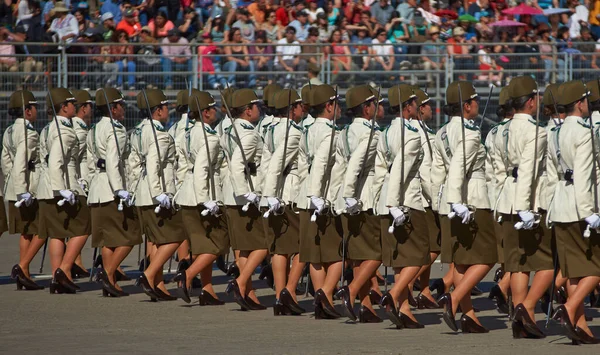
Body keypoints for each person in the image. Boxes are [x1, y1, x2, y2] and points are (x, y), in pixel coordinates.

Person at [435, 81, 498, 333]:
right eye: (476, 102)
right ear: (467, 106)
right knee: (489, 256)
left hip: (450, 203)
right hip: (471, 201)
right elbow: (459, 169)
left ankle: (469, 315)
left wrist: (443, 203)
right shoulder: (469, 133)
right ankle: (454, 297)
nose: (478, 106)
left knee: (461, 262)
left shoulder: (441, 132)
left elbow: (437, 172)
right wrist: (458, 203)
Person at [493, 76, 552, 339]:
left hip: (506, 199)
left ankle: (520, 315)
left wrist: (504, 199)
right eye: (536, 98)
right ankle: (525, 309)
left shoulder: (499, 130)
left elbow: (497, 171)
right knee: (547, 262)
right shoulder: (536, 131)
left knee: (517, 264)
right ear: (530, 102)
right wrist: (525, 207)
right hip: (526, 203)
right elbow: (527, 172)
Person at [549, 80, 600, 344]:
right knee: (595, 265)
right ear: (579, 104)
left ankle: (580, 327)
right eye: (586, 101)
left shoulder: (554, 132)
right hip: (580, 206)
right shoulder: (583, 132)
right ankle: (569, 310)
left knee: (574, 269)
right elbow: (583, 176)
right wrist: (589, 212)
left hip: (560, 204)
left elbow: (551, 173)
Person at [375, 84, 430, 328]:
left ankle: (404, 309)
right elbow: (400, 170)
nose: (418, 107)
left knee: (401, 258)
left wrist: (383, 199)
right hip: (406, 199)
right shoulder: (411, 134)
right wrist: (395, 203)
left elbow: (381, 170)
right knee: (419, 255)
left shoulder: (386, 132)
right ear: (407, 107)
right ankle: (394, 295)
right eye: (415, 103)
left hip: (388, 197)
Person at [173, 90, 228, 306]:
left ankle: (207, 290)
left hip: (187, 192)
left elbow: (184, 166)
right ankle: (187, 276)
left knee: (203, 245)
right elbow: (203, 168)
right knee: (219, 243)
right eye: (212, 108)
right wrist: (207, 199)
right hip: (203, 194)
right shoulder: (209, 137)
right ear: (205, 113)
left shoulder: (186, 133)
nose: (215, 111)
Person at [333, 85, 382, 322]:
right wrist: (351, 195)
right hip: (364, 198)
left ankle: (366, 306)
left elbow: (340, 167)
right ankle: (351, 291)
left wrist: (342, 196)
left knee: (360, 256)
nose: (378, 107)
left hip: (348, 198)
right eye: (375, 103)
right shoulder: (371, 133)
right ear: (366, 108)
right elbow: (355, 166)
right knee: (378, 252)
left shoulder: (343, 132)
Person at [87, 88, 142, 297]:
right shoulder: (116, 129)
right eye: (121, 105)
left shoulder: (94, 129)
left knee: (108, 240)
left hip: (97, 188)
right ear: (113, 108)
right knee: (131, 235)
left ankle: (109, 282)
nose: (123, 109)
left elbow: (91, 161)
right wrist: (119, 189)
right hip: (112, 190)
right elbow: (112, 161)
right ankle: (108, 273)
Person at [37, 88, 91, 294]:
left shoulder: (50, 128)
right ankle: (64, 269)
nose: (74, 106)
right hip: (61, 187)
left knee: (57, 234)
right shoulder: (63, 130)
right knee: (84, 226)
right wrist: (62, 190)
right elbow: (57, 161)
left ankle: (57, 279)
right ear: (63, 107)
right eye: (70, 103)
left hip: (48, 188)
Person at [134, 89, 186, 301]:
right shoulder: (160, 135)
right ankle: (148, 275)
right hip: (157, 193)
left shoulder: (138, 131)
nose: (168, 111)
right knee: (177, 235)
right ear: (157, 111)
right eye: (165, 107)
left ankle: (157, 283)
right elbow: (155, 164)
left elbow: (134, 164)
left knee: (156, 240)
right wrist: (159, 193)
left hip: (142, 192)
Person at [297, 84, 343, 319]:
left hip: (306, 198)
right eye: (337, 103)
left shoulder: (307, 130)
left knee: (316, 256)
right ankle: (325, 294)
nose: (339, 108)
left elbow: (303, 164)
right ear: (328, 106)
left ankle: (323, 301)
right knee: (336, 254)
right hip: (324, 199)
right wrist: (318, 196)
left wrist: (307, 193)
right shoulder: (332, 132)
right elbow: (323, 164)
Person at [221, 89, 267, 311]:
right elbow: (238, 164)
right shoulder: (249, 134)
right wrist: (246, 192)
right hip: (244, 196)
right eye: (256, 105)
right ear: (248, 111)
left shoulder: (229, 128)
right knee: (264, 243)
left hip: (230, 194)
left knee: (243, 249)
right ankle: (240, 283)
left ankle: (248, 293)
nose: (259, 108)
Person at [261, 89, 306, 315]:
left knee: (280, 248)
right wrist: (271, 195)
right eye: (299, 105)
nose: (302, 109)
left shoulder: (269, 128)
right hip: (289, 193)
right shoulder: (293, 132)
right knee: (303, 245)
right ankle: (289, 290)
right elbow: (278, 164)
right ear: (292, 109)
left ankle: (280, 297)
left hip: (275, 195)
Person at [4, 90, 43, 290]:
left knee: (26, 232)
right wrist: (23, 190)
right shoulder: (29, 132)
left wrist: (13, 185)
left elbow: (6, 161)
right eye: (34, 107)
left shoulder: (9, 130)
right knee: (42, 229)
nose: (37, 111)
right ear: (27, 110)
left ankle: (24, 274)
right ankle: (22, 266)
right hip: (26, 187)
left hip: (12, 186)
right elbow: (20, 162)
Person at [408, 88, 443, 310]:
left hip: (422, 196)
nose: (432, 109)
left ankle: (424, 289)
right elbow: (425, 170)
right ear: (421, 109)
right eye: (429, 105)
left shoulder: (422, 130)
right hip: (424, 197)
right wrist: (436, 200)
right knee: (434, 245)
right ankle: (409, 283)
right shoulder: (419, 133)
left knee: (430, 244)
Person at [485, 86, 513, 316]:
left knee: (506, 251)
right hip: (510, 194)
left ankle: (506, 287)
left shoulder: (492, 132)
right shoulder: (513, 130)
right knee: (516, 250)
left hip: (493, 195)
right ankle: (504, 288)